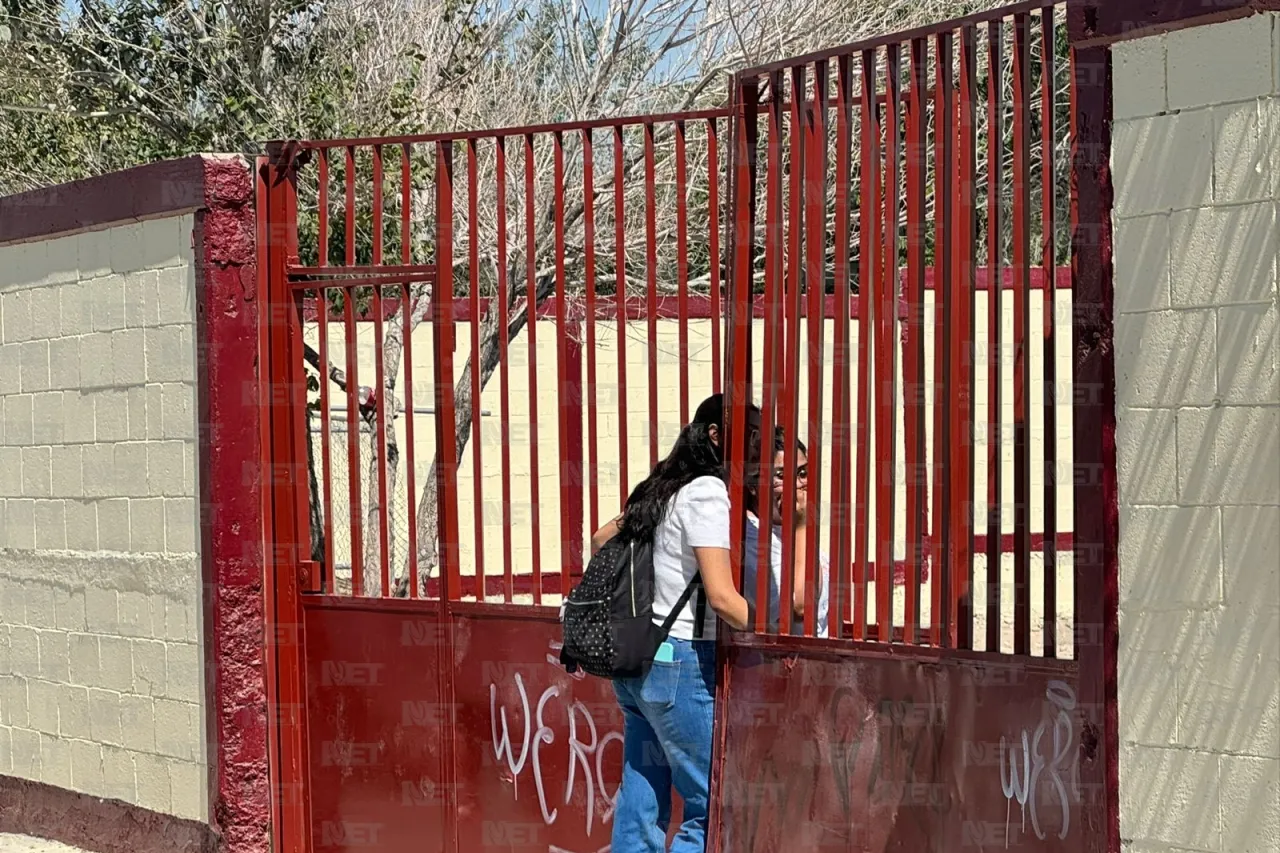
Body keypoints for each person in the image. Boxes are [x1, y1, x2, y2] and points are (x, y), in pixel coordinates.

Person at [591, 393, 758, 853]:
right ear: (717, 436)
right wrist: (772, 628)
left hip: (639, 661)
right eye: (753, 437)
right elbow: (722, 598)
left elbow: (600, 539)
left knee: (642, 798)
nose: (758, 451)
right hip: (680, 663)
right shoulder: (706, 490)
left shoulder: (661, 488)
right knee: (713, 802)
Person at [742, 429, 831, 638]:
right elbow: (801, 606)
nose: (798, 486)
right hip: (781, 662)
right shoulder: (752, 538)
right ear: (754, 486)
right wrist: (802, 525)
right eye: (781, 476)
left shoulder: (787, 528)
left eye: (802, 473)